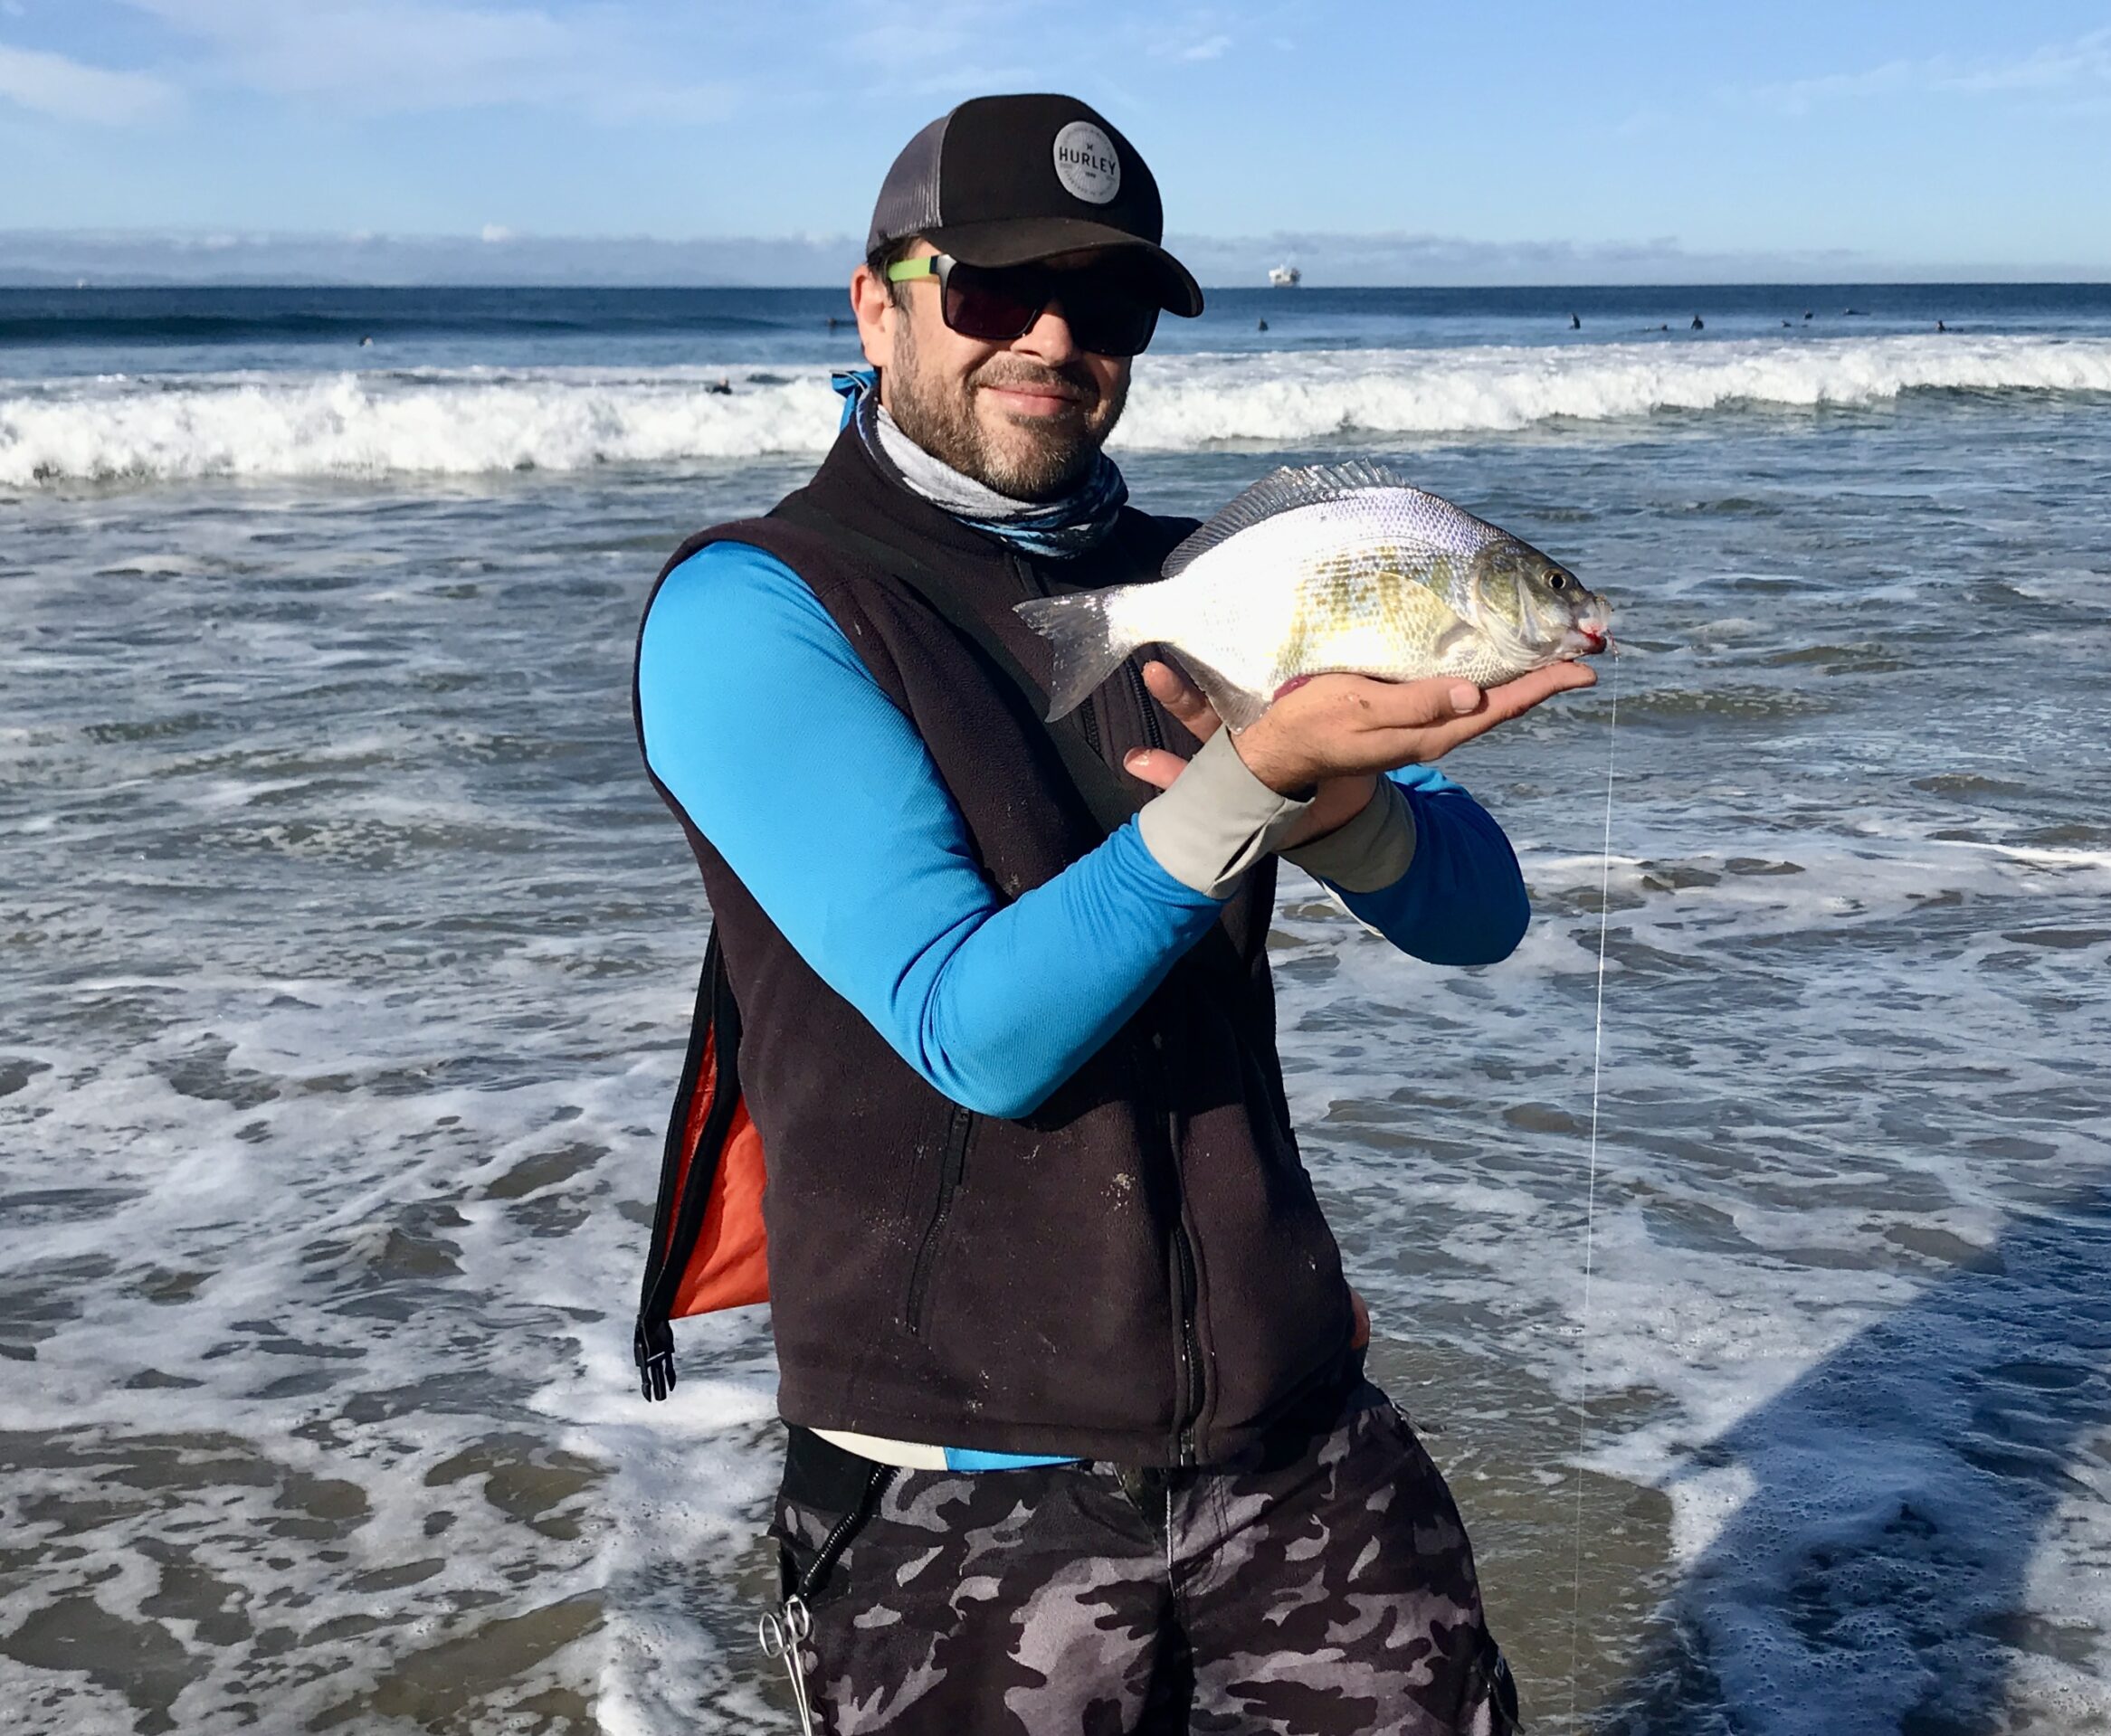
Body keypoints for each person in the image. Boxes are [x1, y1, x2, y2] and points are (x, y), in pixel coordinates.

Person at [633, 92, 1586, 1734]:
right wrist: (1251, 780)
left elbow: (1478, 915)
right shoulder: (757, 606)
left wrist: (1341, 800)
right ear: (878, 303)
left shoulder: (1224, 581)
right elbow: (973, 1031)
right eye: (996, 289)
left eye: (1111, 300)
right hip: (957, 1494)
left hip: (1294, 1430)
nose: (1057, 338)